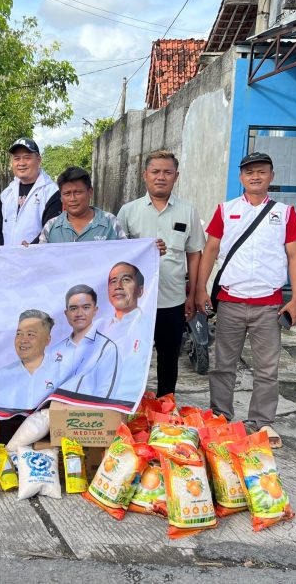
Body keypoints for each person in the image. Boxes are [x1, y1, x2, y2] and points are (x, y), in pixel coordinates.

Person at [195, 152, 296, 449]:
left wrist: (295, 298)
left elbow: (295, 256)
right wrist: (201, 289)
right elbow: (210, 250)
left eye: (261, 171)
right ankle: (220, 416)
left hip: (269, 305)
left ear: (271, 176)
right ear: (241, 177)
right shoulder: (225, 210)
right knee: (223, 365)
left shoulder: (285, 213)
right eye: (249, 172)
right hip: (230, 302)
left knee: (267, 369)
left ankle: (263, 422)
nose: (255, 176)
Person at [116, 150, 205, 396]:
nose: (161, 177)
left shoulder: (188, 211)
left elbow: (194, 253)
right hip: (135, 303)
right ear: (145, 175)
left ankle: (165, 405)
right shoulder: (128, 211)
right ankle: (131, 405)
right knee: (132, 357)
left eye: (167, 172)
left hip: (172, 300)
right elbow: (117, 254)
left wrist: (192, 293)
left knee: (169, 359)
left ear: (176, 176)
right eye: (155, 172)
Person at [0, 310, 70, 410]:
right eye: (19, 334)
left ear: (47, 340)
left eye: (30, 334)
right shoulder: (1, 375)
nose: (23, 340)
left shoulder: (63, 373)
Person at [0, 137, 61, 245]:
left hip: (38, 254)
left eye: (27, 158)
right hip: (6, 255)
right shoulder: (7, 193)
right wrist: (1, 252)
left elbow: (50, 230)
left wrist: (28, 251)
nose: (21, 163)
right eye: (17, 158)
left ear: (38, 160)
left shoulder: (52, 192)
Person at [54, 285, 119, 399]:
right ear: (66, 313)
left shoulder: (107, 348)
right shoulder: (56, 350)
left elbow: (105, 395)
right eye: (73, 308)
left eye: (86, 307)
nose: (79, 313)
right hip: (53, 407)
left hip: (89, 409)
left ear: (95, 310)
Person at [37, 166, 127, 243]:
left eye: (78, 192)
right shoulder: (50, 226)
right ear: (61, 197)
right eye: (67, 194)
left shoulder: (110, 222)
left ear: (90, 192)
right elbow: (41, 255)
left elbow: (124, 253)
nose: (72, 199)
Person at [105, 261, 154, 401]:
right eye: (113, 281)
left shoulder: (149, 326)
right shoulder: (98, 327)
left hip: (129, 402)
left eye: (126, 280)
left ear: (140, 290)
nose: (118, 286)